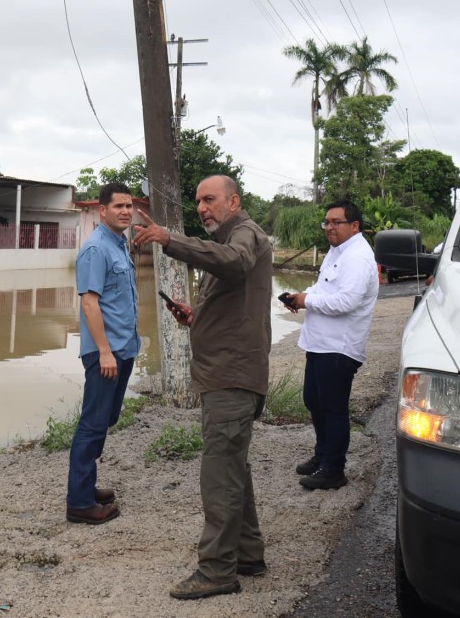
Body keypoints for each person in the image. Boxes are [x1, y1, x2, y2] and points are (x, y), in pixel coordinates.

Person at [132, 175, 272, 601]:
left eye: (210, 200)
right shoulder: (231, 239)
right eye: (198, 202)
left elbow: (234, 262)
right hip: (224, 373)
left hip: (232, 376)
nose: (202, 208)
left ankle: (216, 571)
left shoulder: (244, 236)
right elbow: (233, 292)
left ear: (234, 201)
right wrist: (198, 315)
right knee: (233, 469)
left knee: (219, 477)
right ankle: (247, 553)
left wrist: (169, 238)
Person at [283, 200, 379, 490]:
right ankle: (322, 455)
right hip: (320, 343)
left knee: (333, 408)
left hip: (339, 347)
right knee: (314, 401)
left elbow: (346, 301)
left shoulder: (358, 257)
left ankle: (334, 469)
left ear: (354, 226)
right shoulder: (337, 253)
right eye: (326, 222)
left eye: (336, 222)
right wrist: (301, 296)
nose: (329, 227)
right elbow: (324, 289)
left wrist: (306, 300)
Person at [66, 182, 140, 525]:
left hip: (123, 348)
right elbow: (89, 302)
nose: (125, 211)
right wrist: (105, 352)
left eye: (129, 206)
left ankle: (86, 485)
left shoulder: (120, 244)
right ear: (102, 210)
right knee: (93, 424)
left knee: (105, 419)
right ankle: (80, 503)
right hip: (105, 354)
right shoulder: (96, 248)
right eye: (118, 206)